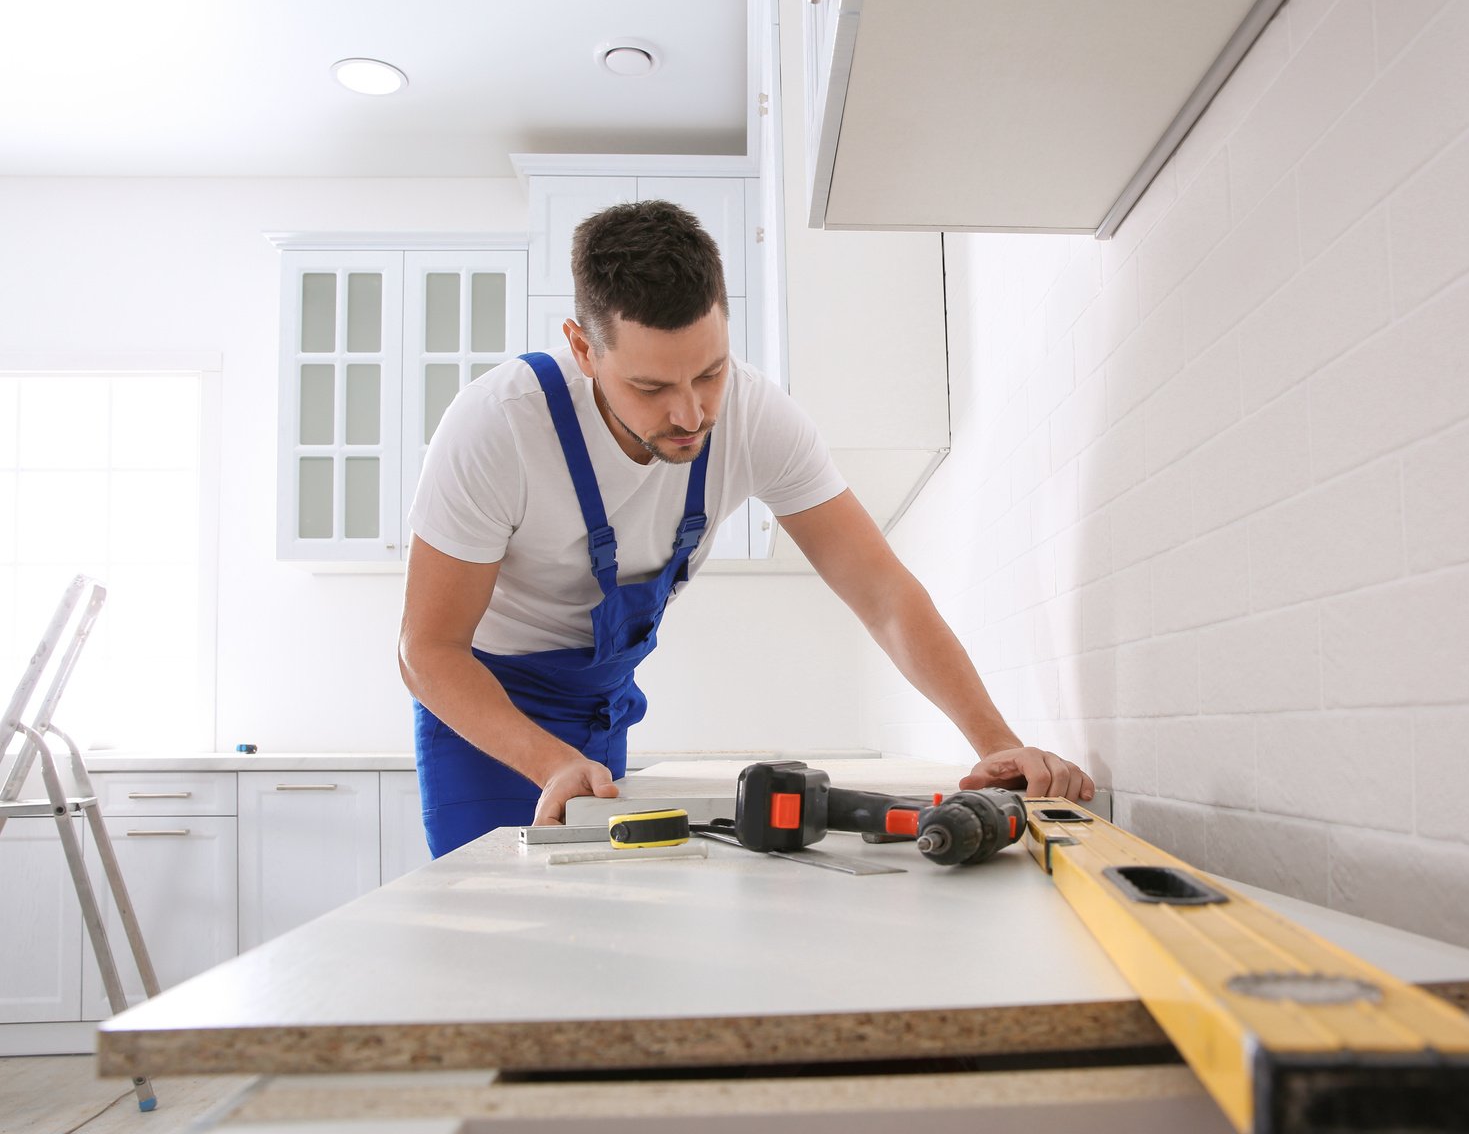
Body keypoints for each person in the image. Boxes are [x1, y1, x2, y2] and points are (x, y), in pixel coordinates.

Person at [398, 200, 1094, 857]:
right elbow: (427, 651)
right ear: (583, 350)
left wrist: (996, 741)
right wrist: (547, 760)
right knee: (491, 936)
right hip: (482, 709)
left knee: (594, 931)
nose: (691, 413)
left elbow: (883, 594)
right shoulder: (498, 428)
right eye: (651, 388)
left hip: (601, 710)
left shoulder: (758, 419)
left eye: (710, 371)